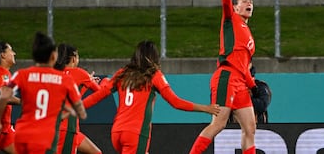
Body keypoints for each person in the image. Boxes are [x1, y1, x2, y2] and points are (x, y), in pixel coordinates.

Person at [82, 40, 221, 154]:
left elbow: (98, 95)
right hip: (135, 134)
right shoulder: (154, 75)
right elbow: (175, 102)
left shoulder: (123, 73)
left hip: (117, 132)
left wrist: (77, 107)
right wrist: (205, 108)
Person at [189, 0, 257, 154]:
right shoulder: (231, 20)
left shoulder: (248, 33)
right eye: (244, 1)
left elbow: (244, 66)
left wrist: (253, 86)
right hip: (226, 76)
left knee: (250, 128)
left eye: (251, 1)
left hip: (240, 81)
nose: (249, 3)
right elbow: (225, 0)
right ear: (235, 8)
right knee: (218, 124)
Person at [0, 31, 87, 154]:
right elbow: (79, 109)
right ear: (53, 57)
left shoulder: (22, 74)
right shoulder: (64, 79)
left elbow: (3, 96)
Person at [54, 43, 102, 154]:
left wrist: (86, 83)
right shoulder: (80, 74)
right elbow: (101, 92)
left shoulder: (54, 74)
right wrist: (105, 82)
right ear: (74, 58)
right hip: (67, 127)